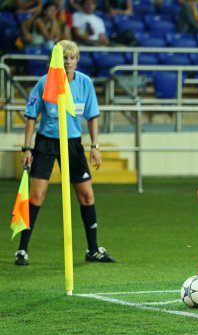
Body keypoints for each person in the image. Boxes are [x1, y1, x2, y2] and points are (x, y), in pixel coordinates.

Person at [15, 39, 115, 266]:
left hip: (73, 144)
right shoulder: (44, 83)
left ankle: (92, 250)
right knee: (36, 196)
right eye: (64, 58)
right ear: (56, 61)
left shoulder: (85, 83)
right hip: (46, 144)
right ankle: (22, 250)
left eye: (71, 58)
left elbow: (93, 116)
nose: (68, 61)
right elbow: (31, 115)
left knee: (87, 195)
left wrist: (95, 146)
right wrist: (27, 147)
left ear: (77, 60)